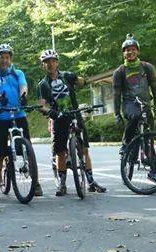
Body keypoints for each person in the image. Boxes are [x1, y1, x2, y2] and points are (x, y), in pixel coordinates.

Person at [37, 49, 106, 195]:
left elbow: (82, 82)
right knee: (60, 152)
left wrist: (82, 79)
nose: (50, 64)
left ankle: (91, 181)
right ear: (43, 65)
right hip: (58, 118)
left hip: (74, 114)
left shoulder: (67, 76)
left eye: (53, 60)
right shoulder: (43, 84)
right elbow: (42, 105)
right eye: (46, 62)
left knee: (85, 149)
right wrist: (49, 111)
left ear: (57, 62)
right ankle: (62, 184)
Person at [0, 43, 43, 201]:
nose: (4, 60)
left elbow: (23, 85)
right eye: (1, 57)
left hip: (18, 114)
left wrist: (23, 96)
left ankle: (35, 183)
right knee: (0, 155)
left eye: (7, 58)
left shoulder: (17, 73)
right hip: (0, 117)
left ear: (10, 59)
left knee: (27, 149)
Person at [113, 34, 156, 183]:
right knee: (134, 117)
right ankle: (126, 144)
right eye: (127, 50)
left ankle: (153, 171)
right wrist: (117, 114)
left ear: (138, 51)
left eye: (133, 49)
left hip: (146, 104)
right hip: (129, 104)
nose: (130, 52)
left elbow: (154, 88)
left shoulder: (147, 68)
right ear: (123, 53)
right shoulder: (120, 72)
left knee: (149, 138)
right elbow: (116, 94)